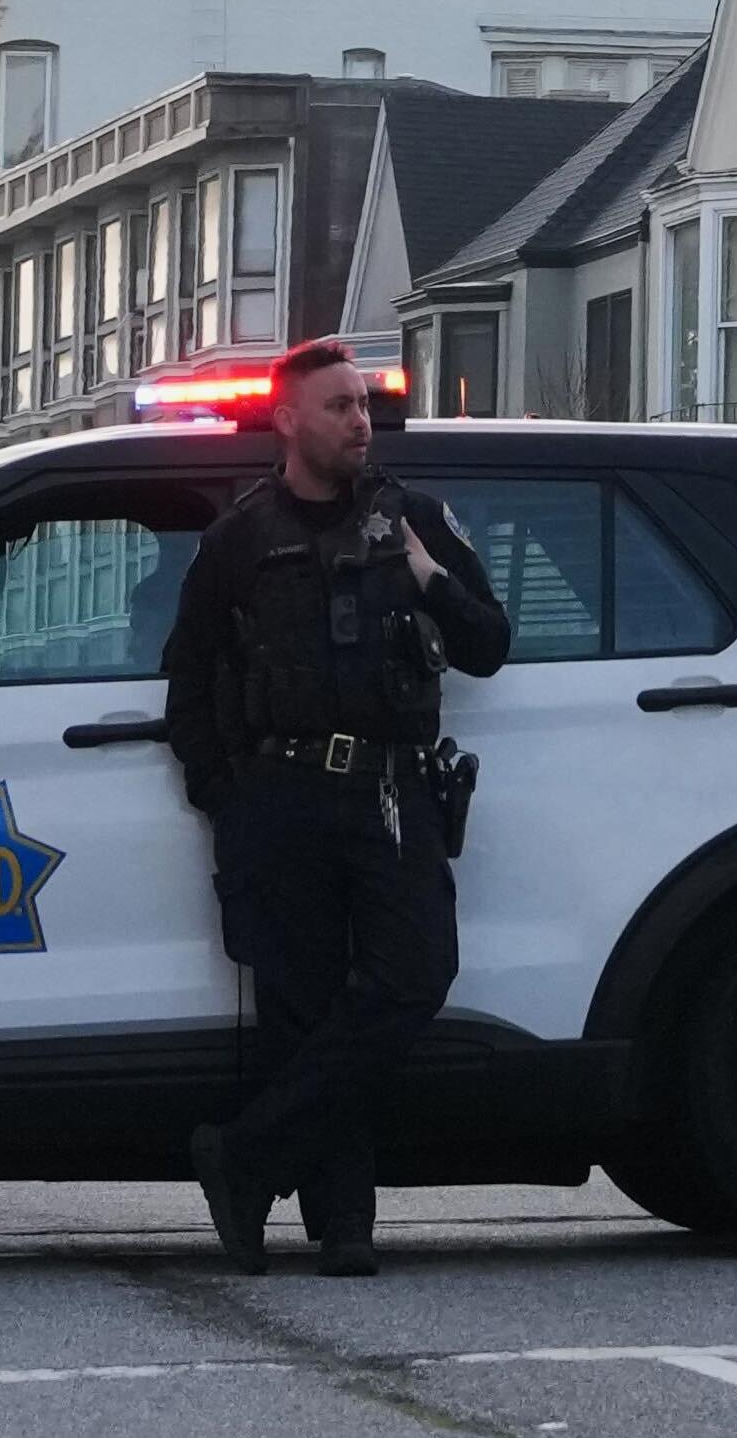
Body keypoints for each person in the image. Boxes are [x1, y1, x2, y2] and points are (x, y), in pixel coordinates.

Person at [159, 335, 509, 1275]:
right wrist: (224, 797)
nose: (360, 422)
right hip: (280, 796)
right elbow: (188, 682)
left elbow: (488, 646)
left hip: (392, 789)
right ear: (287, 421)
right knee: (303, 1009)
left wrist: (427, 574)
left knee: (408, 977)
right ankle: (343, 1227)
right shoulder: (239, 537)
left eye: (362, 406)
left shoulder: (416, 519)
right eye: (339, 407)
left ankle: (241, 1156)